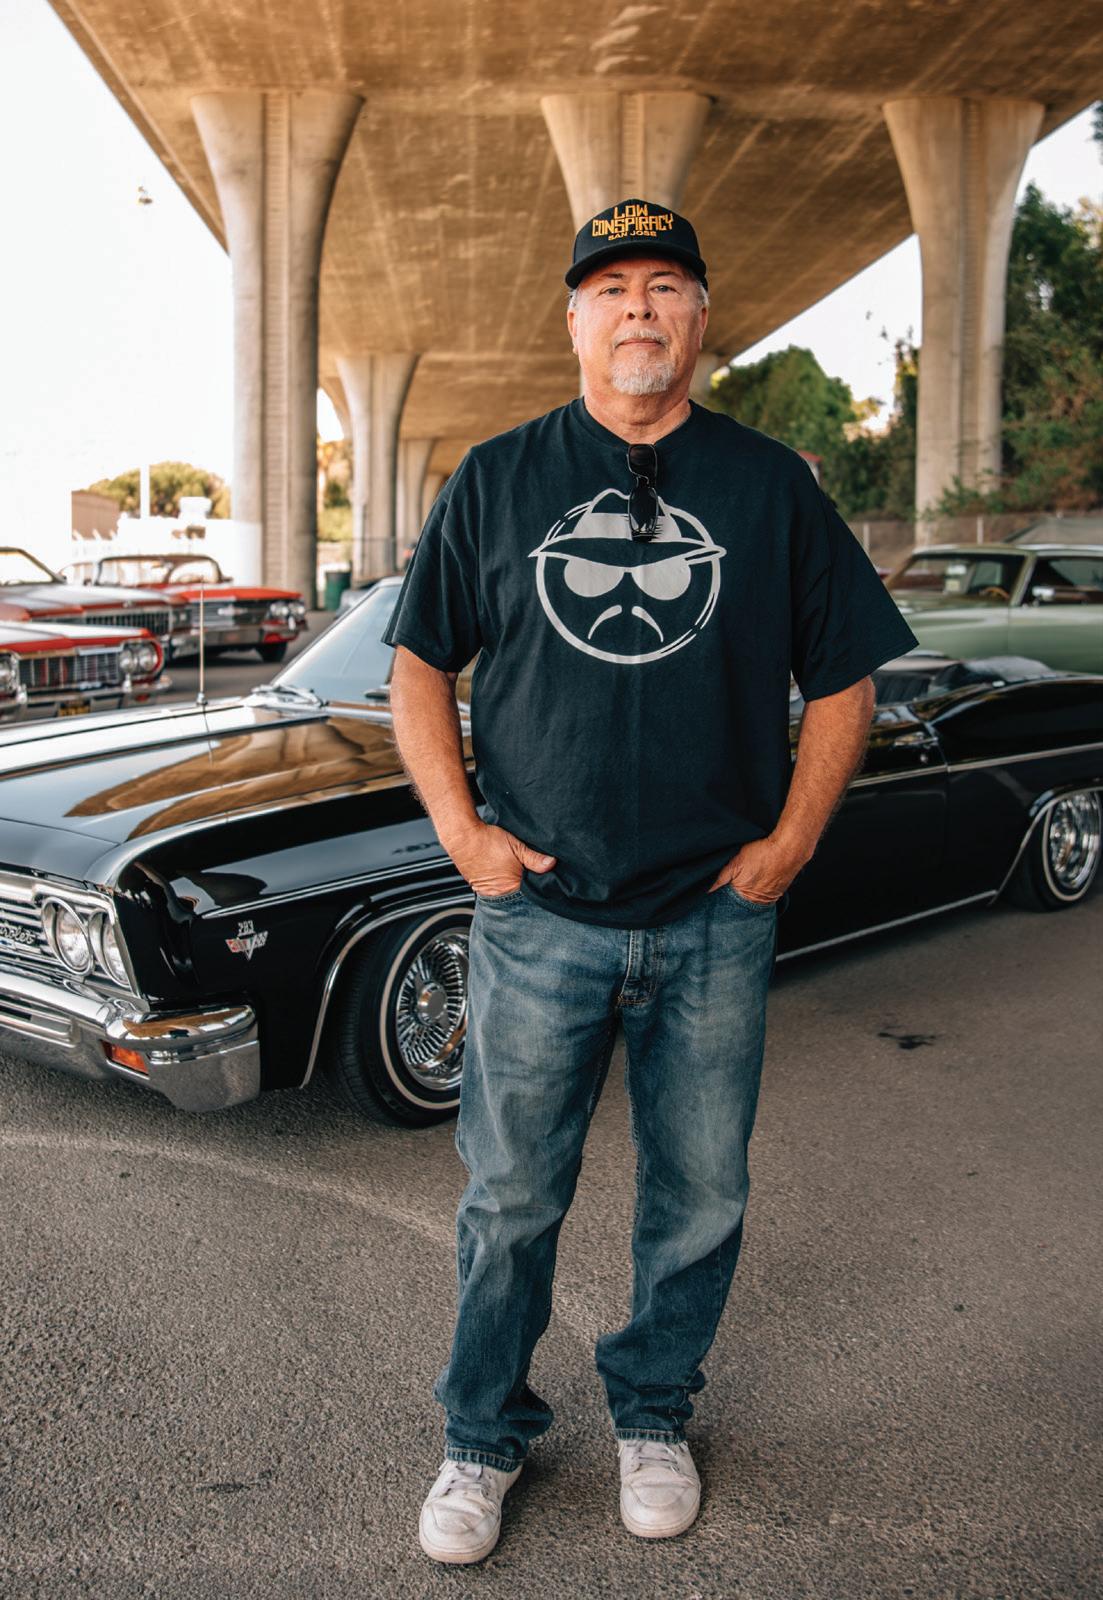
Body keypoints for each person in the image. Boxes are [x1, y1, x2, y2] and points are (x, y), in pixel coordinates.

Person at [381, 197, 919, 1565]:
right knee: (509, 1201)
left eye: (666, 286)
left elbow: (847, 676)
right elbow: (419, 665)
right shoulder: (499, 478)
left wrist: (790, 844)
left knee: (700, 1196)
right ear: (575, 320)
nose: (639, 308)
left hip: (713, 920)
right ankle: (481, 1438)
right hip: (539, 917)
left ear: (699, 319)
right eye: (612, 288)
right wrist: (464, 834)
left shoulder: (770, 486)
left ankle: (654, 1413)